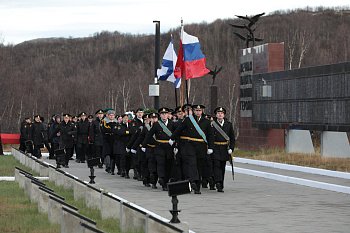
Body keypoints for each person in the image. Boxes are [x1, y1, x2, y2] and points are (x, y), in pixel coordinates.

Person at [170, 104, 214, 194]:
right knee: (192, 163)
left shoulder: (206, 121)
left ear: (202, 111)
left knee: (199, 165)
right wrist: (172, 138)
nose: (198, 112)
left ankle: (197, 186)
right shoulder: (188, 119)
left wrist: (211, 147)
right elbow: (179, 129)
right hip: (190, 145)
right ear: (193, 111)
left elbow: (210, 135)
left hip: (201, 146)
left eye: (199, 110)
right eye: (196, 110)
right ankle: (193, 181)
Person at [142, 108, 176, 191]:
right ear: (160, 115)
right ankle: (161, 177)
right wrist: (144, 145)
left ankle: (165, 182)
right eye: (162, 114)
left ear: (168, 115)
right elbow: (149, 135)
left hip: (169, 147)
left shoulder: (173, 124)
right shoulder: (157, 124)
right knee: (160, 162)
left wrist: (176, 146)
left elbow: (176, 135)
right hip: (159, 146)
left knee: (168, 164)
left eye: (165, 113)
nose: (164, 115)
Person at [211, 107, 235, 192]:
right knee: (216, 165)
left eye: (221, 113)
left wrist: (231, 148)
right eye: (218, 113)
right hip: (215, 148)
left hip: (225, 148)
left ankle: (221, 183)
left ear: (224, 115)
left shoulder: (228, 124)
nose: (220, 114)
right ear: (216, 115)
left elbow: (232, 138)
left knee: (222, 166)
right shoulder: (212, 124)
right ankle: (218, 182)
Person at [101, 109, 118, 174]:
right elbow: (105, 129)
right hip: (107, 139)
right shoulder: (104, 121)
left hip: (114, 139)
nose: (111, 116)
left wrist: (113, 130)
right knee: (107, 153)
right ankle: (108, 166)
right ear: (107, 115)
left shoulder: (116, 122)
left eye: (113, 115)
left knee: (113, 154)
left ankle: (112, 168)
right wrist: (112, 130)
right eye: (110, 115)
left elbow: (117, 129)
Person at [117, 114, 132, 178]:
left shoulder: (130, 125)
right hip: (122, 143)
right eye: (124, 118)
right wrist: (127, 132)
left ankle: (127, 171)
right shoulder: (120, 125)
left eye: (127, 118)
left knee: (128, 158)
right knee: (123, 158)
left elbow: (133, 131)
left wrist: (127, 132)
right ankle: (123, 170)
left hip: (129, 143)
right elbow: (120, 132)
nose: (126, 119)